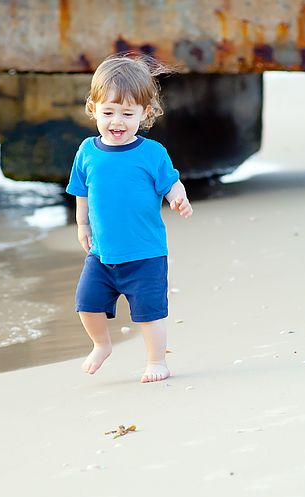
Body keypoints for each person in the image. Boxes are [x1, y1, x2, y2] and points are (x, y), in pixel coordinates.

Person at [66, 54, 193, 383]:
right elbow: (81, 191)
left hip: (146, 254)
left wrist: (178, 197)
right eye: (108, 112)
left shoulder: (151, 153)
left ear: (145, 113)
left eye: (127, 113)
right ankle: (101, 344)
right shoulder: (87, 151)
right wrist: (82, 225)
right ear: (93, 109)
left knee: (150, 314)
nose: (116, 121)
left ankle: (156, 361)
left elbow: (170, 182)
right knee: (86, 304)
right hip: (102, 254)